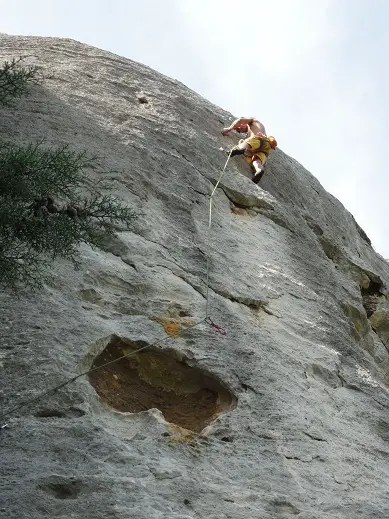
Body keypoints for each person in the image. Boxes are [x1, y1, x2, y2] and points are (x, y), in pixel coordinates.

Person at [221, 117, 277, 184]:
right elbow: (250, 152)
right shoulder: (251, 132)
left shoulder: (252, 121)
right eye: (238, 130)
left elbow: (240, 120)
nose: (239, 129)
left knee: (244, 143)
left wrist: (229, 128)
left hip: (259, 139)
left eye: (238, 127)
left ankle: (240, 149)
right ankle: (259, 170)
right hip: (265, 149)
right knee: (256, 161)